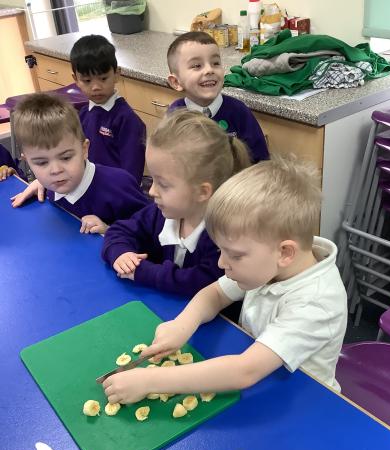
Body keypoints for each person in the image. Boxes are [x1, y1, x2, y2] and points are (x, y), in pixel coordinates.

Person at [102, 156, 348, 406]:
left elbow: (244, 371)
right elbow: (216, 294)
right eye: (221, 250)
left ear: (285, 253)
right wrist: (181, 326)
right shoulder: (270, 263)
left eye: (235, 255)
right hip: (268, 379)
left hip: (306, 402)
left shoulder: (317, 302)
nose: (221, 263)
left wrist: (150, 381)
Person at [101, 109, 251, 295]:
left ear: (202, 192)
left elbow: (199, 283)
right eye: (152, 180)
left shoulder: (224, 236)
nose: (151, 191)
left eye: (163, 184)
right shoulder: (159, 213)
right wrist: (121, 254)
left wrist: (143, 272)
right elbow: (119, 231)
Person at [10, 94, 148, 234]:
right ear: (27, 161)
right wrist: (40, 183)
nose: (56, 170)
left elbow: (152, 230)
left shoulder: (119, 186)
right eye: (42, 163)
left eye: (66, 158)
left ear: (84, 149)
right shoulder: (52, 183)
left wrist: (109, 231)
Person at [167, 31, 269, 164]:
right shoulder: (174, 115)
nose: (209, 70)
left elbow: (261, 160)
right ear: (176, 82)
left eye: (215, 63)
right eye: (197, 66)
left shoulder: (239, 111)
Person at [70, 34, 146, 184]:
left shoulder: (127, 120)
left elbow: (132, 174)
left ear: (117, 74)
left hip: (116, 191)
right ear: (76, 80)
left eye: (103, 78)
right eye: (87, 81)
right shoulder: (83, 115)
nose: (96, 87)